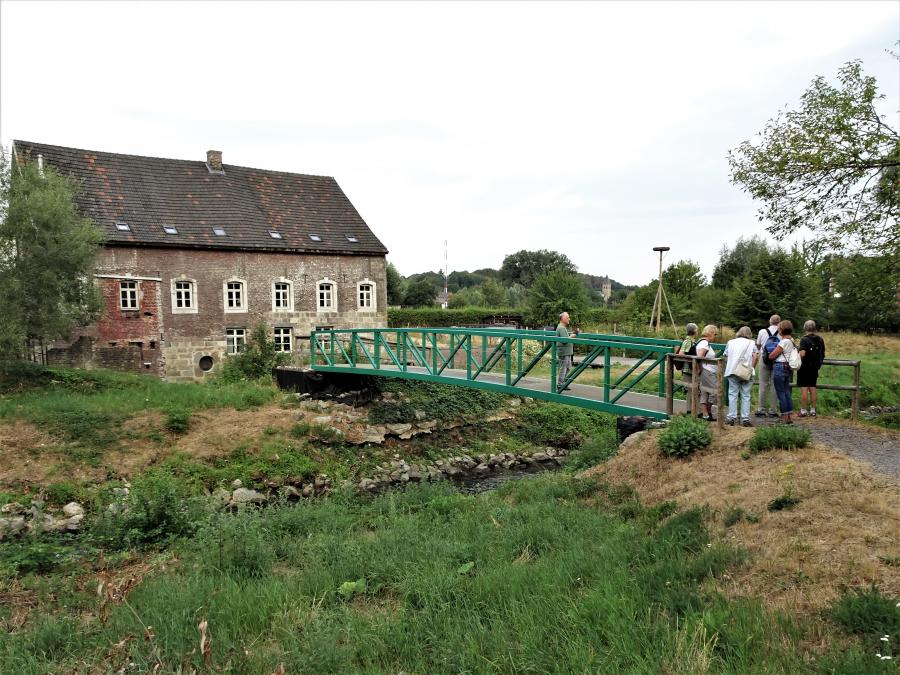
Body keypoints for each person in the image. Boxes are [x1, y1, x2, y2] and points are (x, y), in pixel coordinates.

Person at [723, 326, 759, 426]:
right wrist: (751, 368)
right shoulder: (752, 343)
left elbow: (725, 355)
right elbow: (755, 356)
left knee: (732, 394)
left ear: (739, 332)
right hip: (746, 372)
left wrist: (730, 364)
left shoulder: (731, 342)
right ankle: (745, 419)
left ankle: (731, 418)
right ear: (749, 334)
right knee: (746, 395)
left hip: (733, 371)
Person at [767, 320, 798, 424]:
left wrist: (770, 351)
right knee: (786, 392)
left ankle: (784, 417)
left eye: (779, 328)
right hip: (787, 367)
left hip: (780, 366)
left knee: (781, 393)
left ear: (782, 329)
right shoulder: (792, 340)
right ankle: (789, 416)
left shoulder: (783, 342)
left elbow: (772, 356)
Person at [798, 320, 826, 417]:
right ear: (814, 328)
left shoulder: (804, 339)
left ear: (805, 328)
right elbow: (823, 353)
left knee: (804, 388)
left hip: (804, 367)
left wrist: (796, 355)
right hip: (815, 367)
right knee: (813, 388)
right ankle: (813, 410)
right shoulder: (820, 339)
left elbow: (802, 354)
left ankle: (803, 410)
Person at [755, 314, 781, 418]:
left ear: (770, 321)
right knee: (775, 385)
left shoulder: (762, 331)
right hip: (777, 360)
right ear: (779, 322)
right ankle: (773, 410)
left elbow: (758, 345)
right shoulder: (781, 332)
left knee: (763, 384)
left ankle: (761, 409)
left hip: (764, 359)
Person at [695, 324, 719, 421]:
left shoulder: (701, 342)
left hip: (706, 370)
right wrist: (700, 368)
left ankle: (706, 414)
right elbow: (699, 357)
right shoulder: (705, 343)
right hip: (707, 370)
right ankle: (707, 412)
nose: (715, 337)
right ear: (711, 333)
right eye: (715, 334)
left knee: (705, 392)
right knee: (715, 391)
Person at [555, 311, 575, 392]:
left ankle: (562, 383)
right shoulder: (561, 328)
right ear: (563, 319)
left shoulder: (562, 327)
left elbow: (565, 337)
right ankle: (560, 384)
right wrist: (572, 336)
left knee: (568, 368)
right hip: (564, 352)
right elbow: (564, 340)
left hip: (566, 351)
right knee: (563, 368)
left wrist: (570, 335)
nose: (569, 319)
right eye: (567, 317)